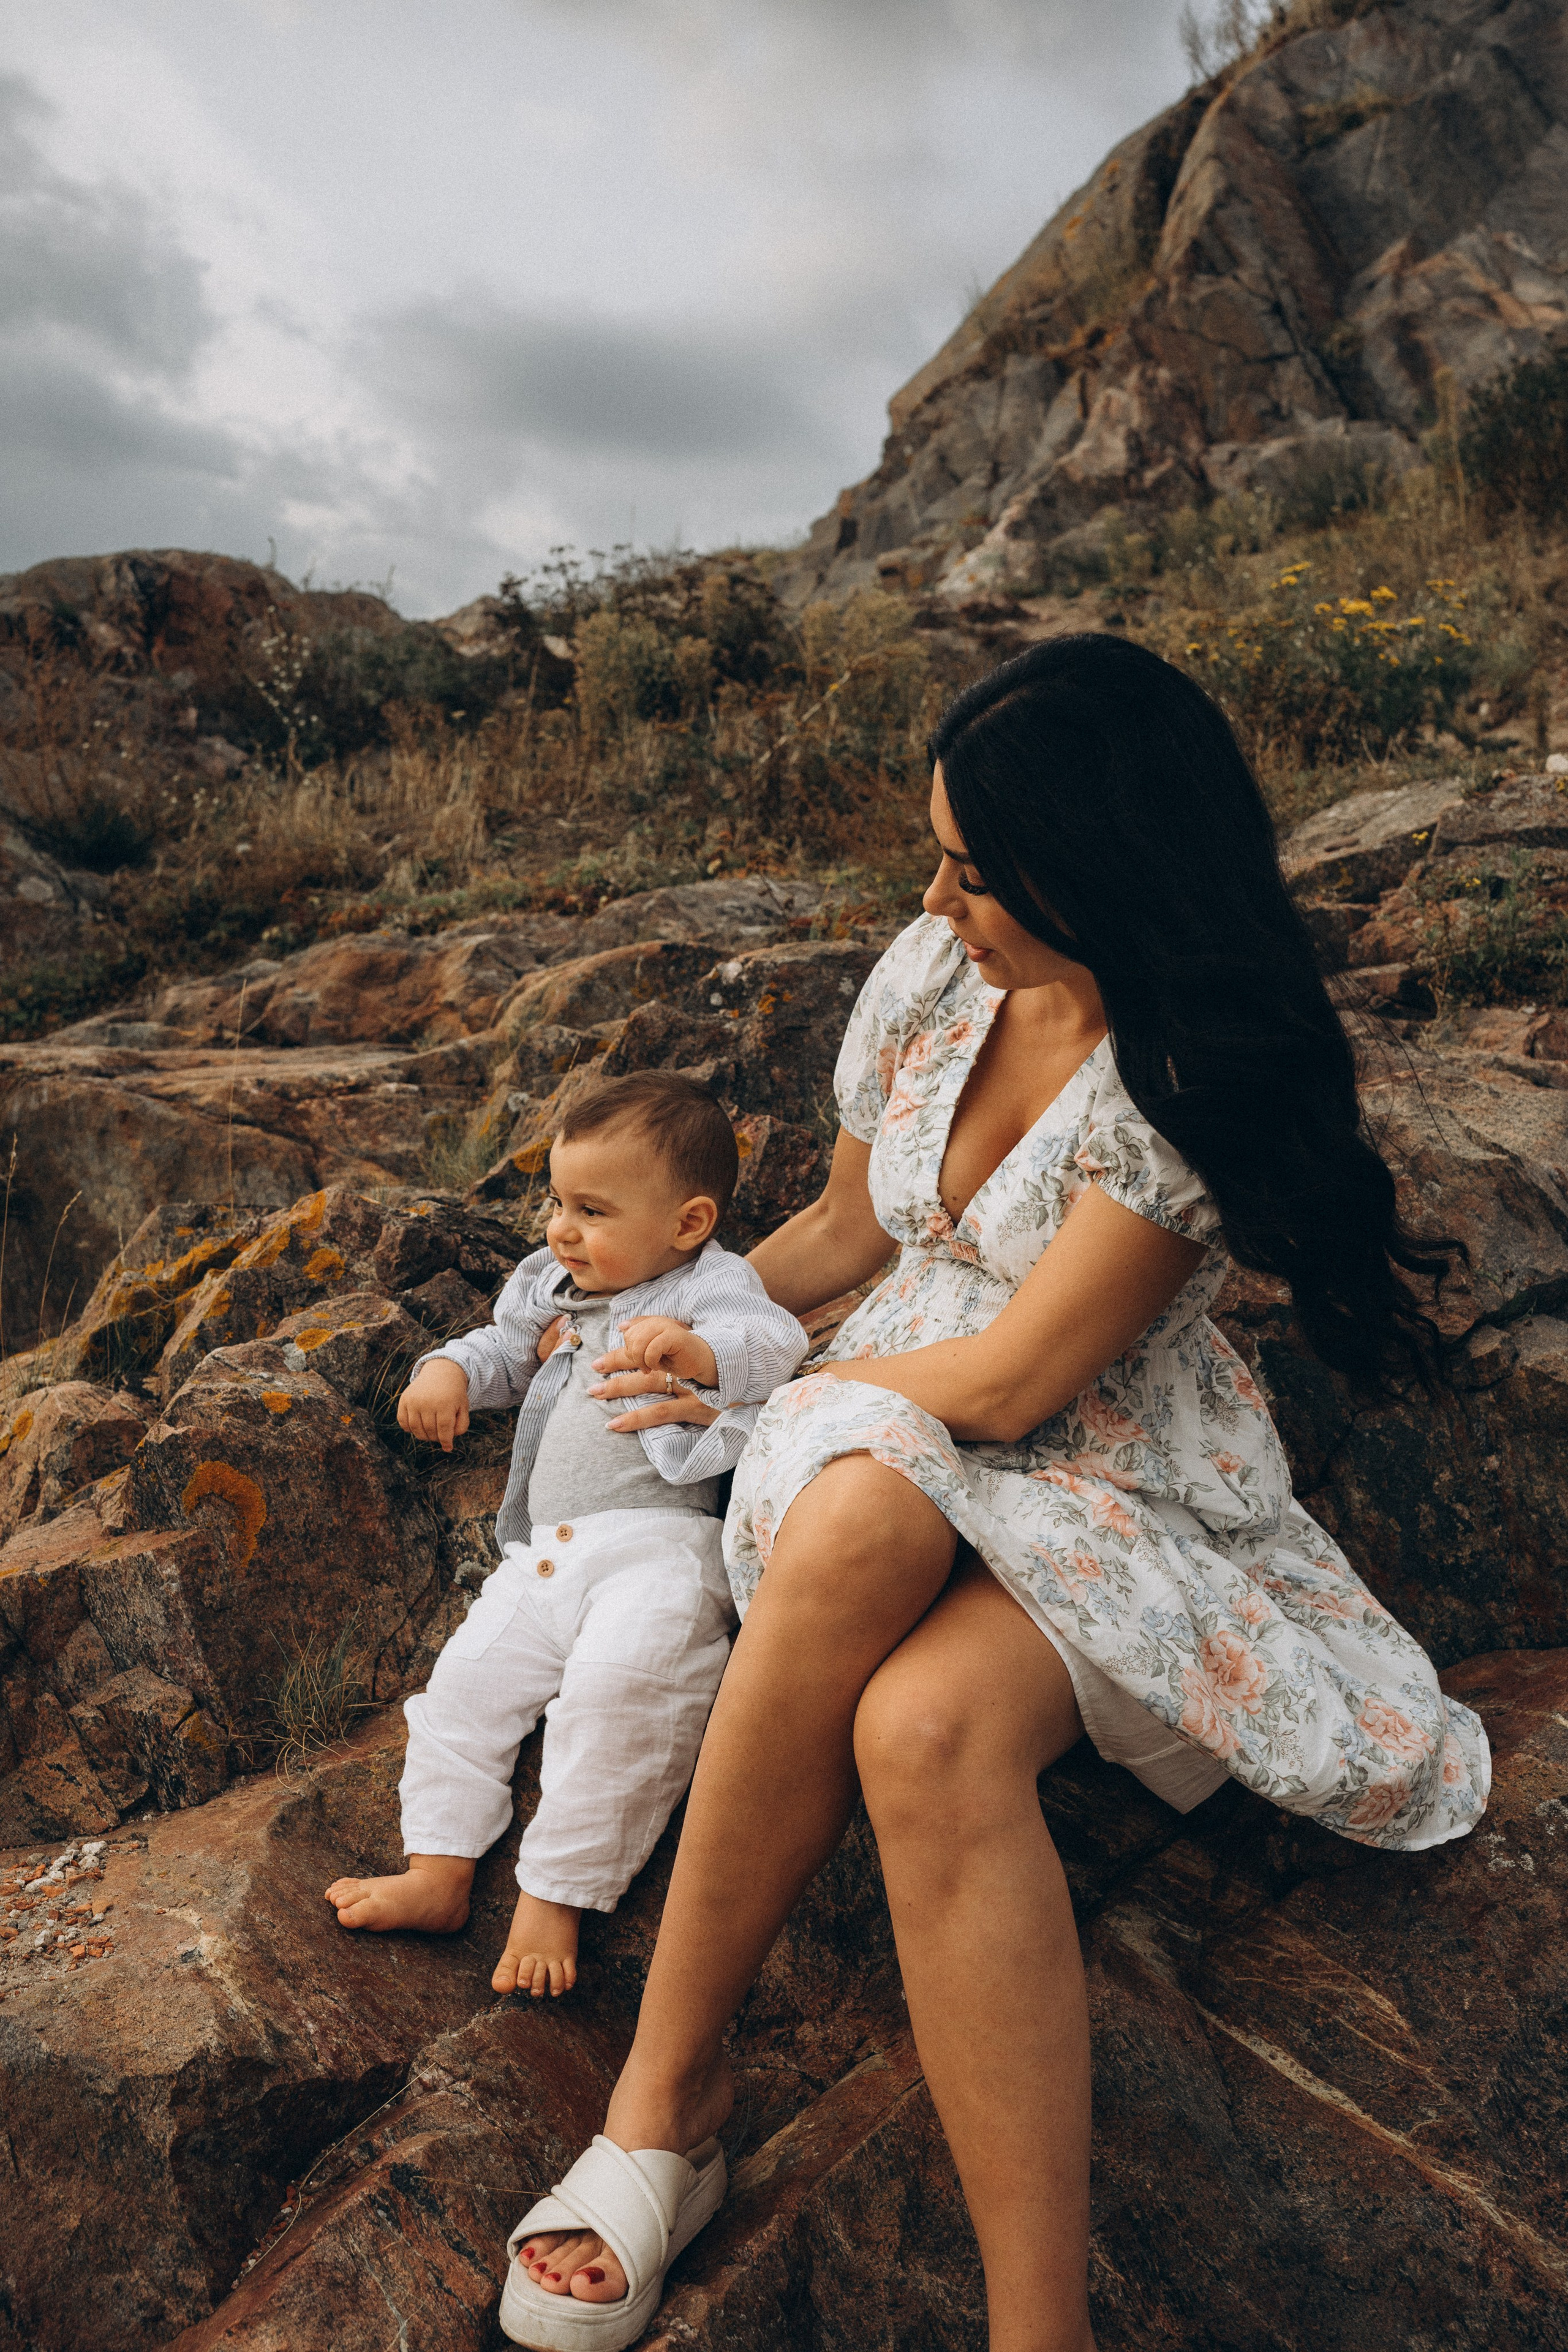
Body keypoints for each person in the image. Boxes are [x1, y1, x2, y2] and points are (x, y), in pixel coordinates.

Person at [496, 635, 1491, 2352]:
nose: (933, 899)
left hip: (1096, 1464)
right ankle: (667, 2095)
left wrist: (773, 1388)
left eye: (972, 870)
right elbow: (844, 1231)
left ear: (1098, 868)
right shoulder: (935, 976)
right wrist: (682, 1327)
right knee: (866, 1518)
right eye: (938, 858)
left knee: (922, 1724)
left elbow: (1026, 1380)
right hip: (894, 1420)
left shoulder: (1183, 1069)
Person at [324, 1071, 809, 1998]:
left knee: (624, 1695)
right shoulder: (552, 1284)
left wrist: (703, 1354)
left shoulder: (710, 1284)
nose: (561, 1229)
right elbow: (504, 1349)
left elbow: (773, 1341)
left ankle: (557, 1894)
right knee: (461, 1695)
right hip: (543, 1556)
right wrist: (446, 1369)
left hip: (660, 1549)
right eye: (556, 1203)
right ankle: (438, 1870)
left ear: (688, 1223)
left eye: (592, 1211)